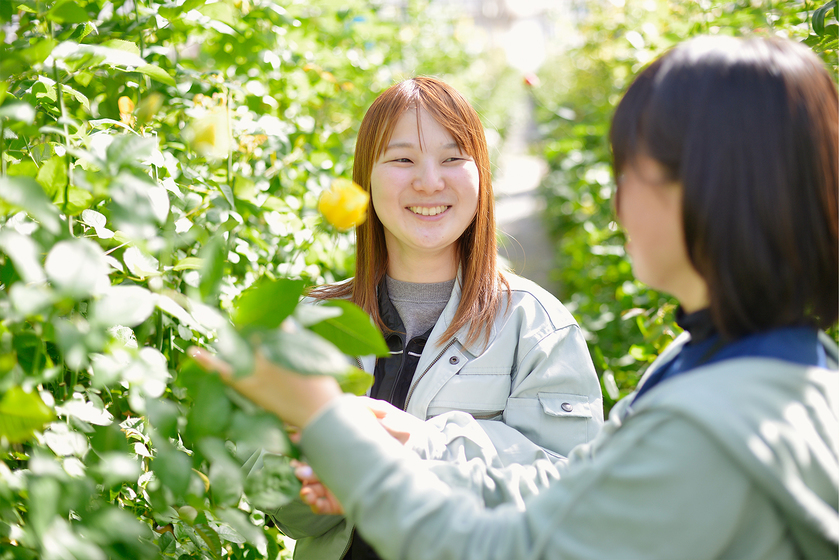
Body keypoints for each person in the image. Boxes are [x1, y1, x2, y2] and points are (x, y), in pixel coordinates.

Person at [194, 36, 839, 559]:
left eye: (630, 170)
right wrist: (388, 457)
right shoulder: (712, 366)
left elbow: (507, 546)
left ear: (712, 190)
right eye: (401, 160)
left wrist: (330, 425)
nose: (615, 199)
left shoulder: (712, 420)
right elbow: (569, 488)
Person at [262, 77, 603, 559]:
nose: (428, 181)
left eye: (451, 158)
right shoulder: (315, 324)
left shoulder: (536, 326)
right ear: (365, 179)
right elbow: (274, 502)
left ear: (481, 175)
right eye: (402, 160)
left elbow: (574, 493)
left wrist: (423, 445)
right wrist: (331, 470)